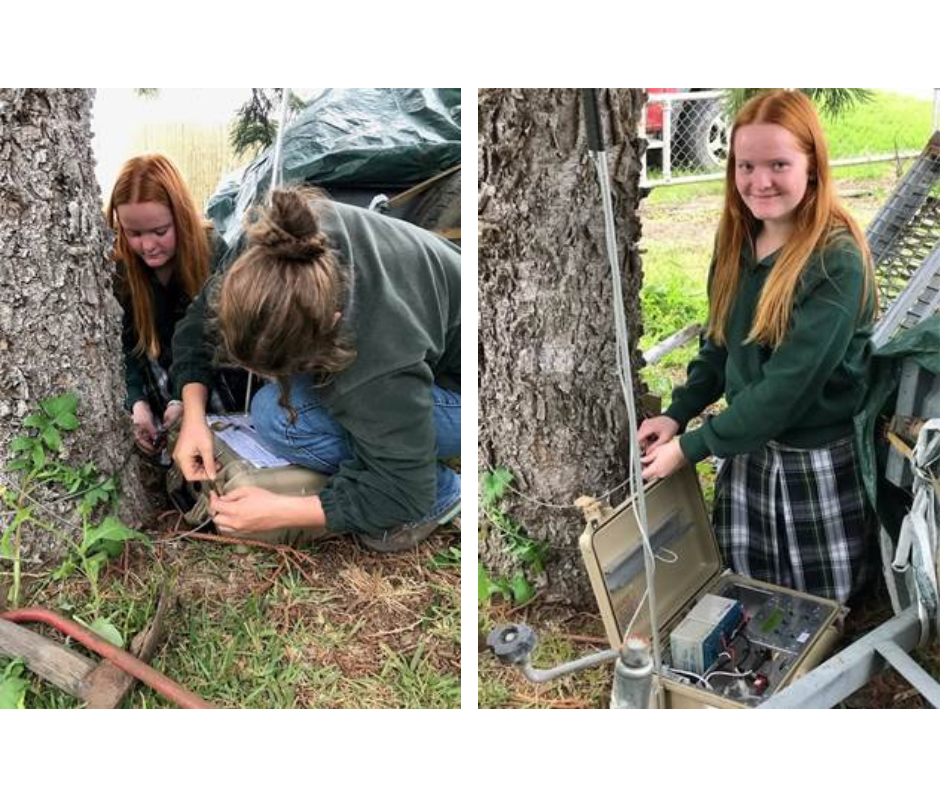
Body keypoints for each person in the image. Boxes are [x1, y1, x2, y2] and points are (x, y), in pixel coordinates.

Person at [637, 90, 877, 604]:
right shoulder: (737, 239)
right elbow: (718, 343)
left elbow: (787, 390)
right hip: (748, 444)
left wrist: (693, 447)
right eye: (746, 165)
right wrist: (678, 415)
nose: (759, 180)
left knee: (821, 601)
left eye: (779, 164)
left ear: (812, 166)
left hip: (814, 456)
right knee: (752, 585)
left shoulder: (837, 262)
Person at [170, 187, 461, 552]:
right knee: (278, 410)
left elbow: (407, 491)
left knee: (284, 419)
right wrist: (194, 416)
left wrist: (283, 511)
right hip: (419, 351)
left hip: (482, 395)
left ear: (332, 324)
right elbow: (197, 326)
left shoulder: (376, 356)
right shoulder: (274, 251)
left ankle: (446, 490)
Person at [107, 154, 228, 457]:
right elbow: (124, 346)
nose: (147, 246)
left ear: (181, 217)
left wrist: (183, 399)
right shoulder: (120, 269)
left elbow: (212, 338)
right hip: (156, 378)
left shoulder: (213, 251)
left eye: (160, 232)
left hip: (213, 374)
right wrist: (137, 404)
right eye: (134, 234)